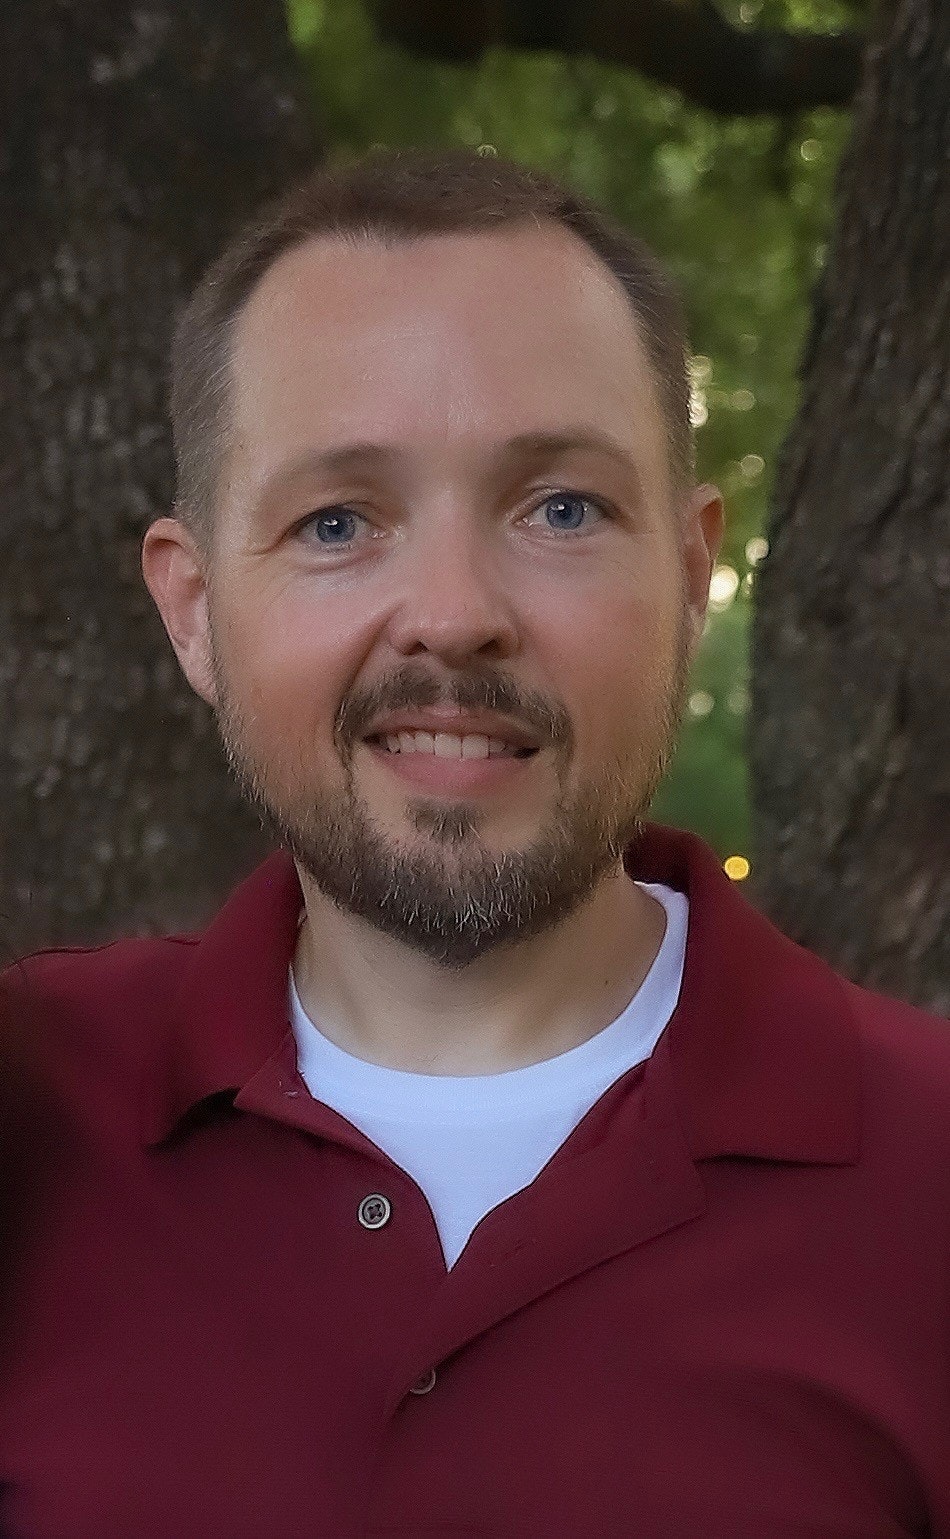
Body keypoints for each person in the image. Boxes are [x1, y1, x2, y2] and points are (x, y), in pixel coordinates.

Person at [2, 147, 948, 1538]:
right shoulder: (28, 1120)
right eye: (338, 521)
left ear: (689, 576)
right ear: (193, 609)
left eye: (560, 507)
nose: (451, 612)